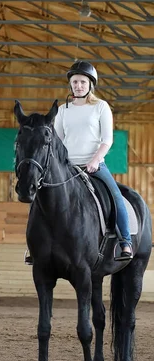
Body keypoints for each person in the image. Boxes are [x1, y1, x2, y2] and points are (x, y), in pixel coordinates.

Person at [25, 60, 133, 265]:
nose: (78, 85)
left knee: (116, 197)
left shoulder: (101, 107)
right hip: (67, 167)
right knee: (39, 199)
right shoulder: (63, 110)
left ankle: (124, 241)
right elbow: (57, 141)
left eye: (83, 82)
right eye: (75, 82)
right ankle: (32, 247)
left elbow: (107, 140)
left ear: (90, 84)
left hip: (94, 165)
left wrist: (95, 161)